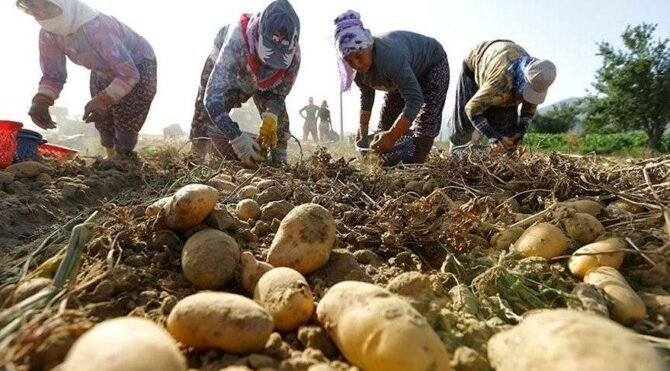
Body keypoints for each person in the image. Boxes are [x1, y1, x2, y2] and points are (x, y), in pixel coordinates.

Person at [18, 0, 157, 159]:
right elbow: (53, 74)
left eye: (47, 4)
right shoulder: (48, 34)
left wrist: (104, 99)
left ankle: (123, 163)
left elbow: (129, 74)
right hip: (101, 69)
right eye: (34, 7)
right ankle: (110, 160)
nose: (41, 12)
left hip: (137, 64)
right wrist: (42, 100)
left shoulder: (97, 29)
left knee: (126, 123)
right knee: (102, 120)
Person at [189, 0, 300, 167]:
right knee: (204, 113)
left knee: (279, 120)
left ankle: (280, 165)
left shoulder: (294, 57)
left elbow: (278, 94)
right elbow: (212, 99)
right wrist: (236, 137)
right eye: (266, 62)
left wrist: (271, 115)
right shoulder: (236, 42)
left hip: (268, 86)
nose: (267, 67)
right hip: (235, 69)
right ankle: (195, 161)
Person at [333, 10, 450, 164]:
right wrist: (363, 127)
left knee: (426, 122)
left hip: (431, 64)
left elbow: (415, 99)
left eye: (359, 56)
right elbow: (367, 94)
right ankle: (388, 164)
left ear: (369, 45)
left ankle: (416, 165)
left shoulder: (390, 58)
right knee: (385, 125)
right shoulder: (356, 73)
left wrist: (393, 136)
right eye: (349, 60)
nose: (356, 64)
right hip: (400, 77)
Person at [446, 40, 557, 153]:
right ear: (522, 82)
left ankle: (499, 163)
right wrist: (493, 137)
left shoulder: (538, 78)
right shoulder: (501, 82)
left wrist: (520, 131)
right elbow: (471, 108)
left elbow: (530, 105)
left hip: (505, 71)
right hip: (476, 63)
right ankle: (453, 153)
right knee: (463, 126)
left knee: (508, 135)